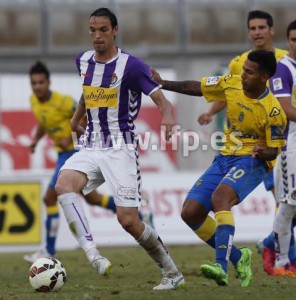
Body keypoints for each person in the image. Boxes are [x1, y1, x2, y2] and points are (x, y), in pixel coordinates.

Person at [54, 8, 184, 290]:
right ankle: (94, 256)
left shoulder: (132, 66)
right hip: (91, 143)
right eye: (92, 30)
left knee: (128, 221)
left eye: (103, 30)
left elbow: (162, 101)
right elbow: (88, 92)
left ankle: (172, 272)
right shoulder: (84, 61)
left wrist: (169, 119)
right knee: (63, 185)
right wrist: (77, 118)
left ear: (115, 30)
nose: (97, 36)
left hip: (119, 148)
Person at [151, 50, 287, 287]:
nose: (243, 75)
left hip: (253, 162)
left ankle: (220, 266)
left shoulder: (273, 112)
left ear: (264, 76)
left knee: (220, 198)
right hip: (225, 157)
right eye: (243, 69)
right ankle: (238, 256)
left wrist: (260, 152)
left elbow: (273, 151)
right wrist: (164, 84)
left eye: (249, 72)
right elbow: (197, 87)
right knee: (190, 212)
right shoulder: (231, 83)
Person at [24, 61, 155, 264]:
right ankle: (141, 215)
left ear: (48, 83)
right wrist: (35, 140)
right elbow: (43, 122)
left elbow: (87, 114)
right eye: (34, 83)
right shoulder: (34, 101)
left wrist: (71, 137)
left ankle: (49, 251)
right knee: (93, 199)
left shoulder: (63, 102)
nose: (38, 86)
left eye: (41, 82)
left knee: (50, 198)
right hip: (62, 154)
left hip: (74, 150)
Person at [197, 10, 295, 275]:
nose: (257, 32)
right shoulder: (240, 62)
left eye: (262, 27)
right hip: (251, 149)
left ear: (272, 31)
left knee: (286, 201)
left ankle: (272, 246)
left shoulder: (285, 61)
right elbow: (228, 91)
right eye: (253, 28)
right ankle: (281, 254)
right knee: (284, 199)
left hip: (277, 139)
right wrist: (210, 112)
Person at [270, 20, 296, 275]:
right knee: (290, 205)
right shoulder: (283, 69)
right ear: (287, 41)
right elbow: (285, 108)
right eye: (293, 39)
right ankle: (280, 261)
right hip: (292, 147)